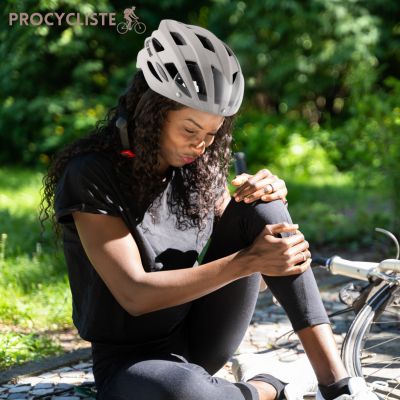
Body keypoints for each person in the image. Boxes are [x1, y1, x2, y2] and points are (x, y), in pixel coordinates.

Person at [39, 19, 379, 400]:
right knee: (186, 393)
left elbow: (257, 279)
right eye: (189, 130)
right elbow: (134, 294)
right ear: (151, 113)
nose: (200, 146)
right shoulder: (90, 174)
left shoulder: (198, 170)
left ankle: (337, 386)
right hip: (128, 361)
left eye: (211, 135)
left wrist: (269, 224)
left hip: (202, 334)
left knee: (262, 206)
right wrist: (250, 260)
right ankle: (266, 388)